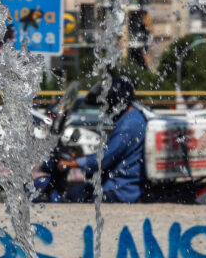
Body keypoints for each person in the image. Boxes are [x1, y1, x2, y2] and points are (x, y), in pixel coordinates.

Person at [58, 75, 147, 204]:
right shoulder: (131, 117)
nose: (105, 109)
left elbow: (103, 160)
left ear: (115, 101)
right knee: (77, 191)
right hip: (120, 184)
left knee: (72, 196)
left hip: (120, 188)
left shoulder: (129, 124)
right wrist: (77, 156)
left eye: (107, 103)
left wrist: (71, 163)